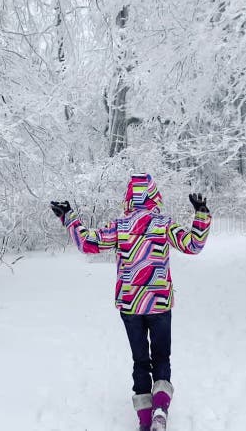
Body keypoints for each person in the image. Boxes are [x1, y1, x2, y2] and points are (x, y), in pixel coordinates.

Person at [50, 173, 212, 431]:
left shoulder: (120, 226)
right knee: (161, 356)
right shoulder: (163, 224)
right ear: (153, 195)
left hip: (131, 305)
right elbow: (193, 245)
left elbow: (88, 242)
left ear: (129, 197)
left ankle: (145, 421)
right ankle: (160, 408)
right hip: (159, 303)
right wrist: (201, 213)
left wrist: (68, 217)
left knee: (140, 361)